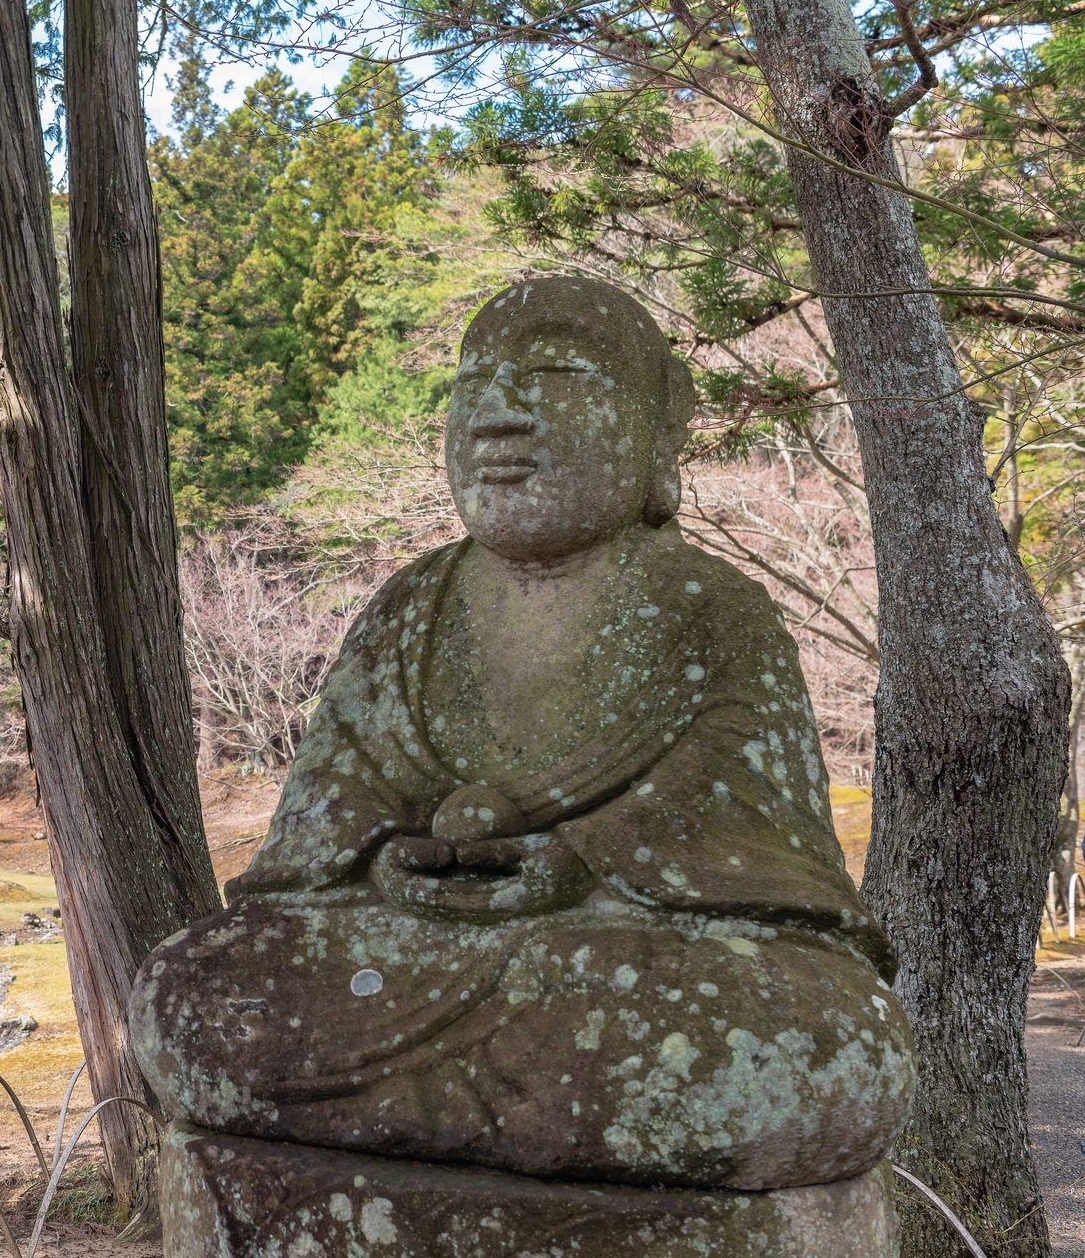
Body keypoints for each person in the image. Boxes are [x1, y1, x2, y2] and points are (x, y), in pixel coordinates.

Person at [129, 277, 912, 1192]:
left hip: (617, 964)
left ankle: (444, 1100)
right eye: (474, 384)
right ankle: (513, 1105)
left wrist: (583, 856)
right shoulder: (409, 608)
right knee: (191, 987)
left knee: (801, 1041)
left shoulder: (711, 610)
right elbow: (321, 827)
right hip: (410, 952)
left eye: (552, 374)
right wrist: (385, 861)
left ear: (654, 430)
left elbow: (757, 853)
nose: (498, 415)